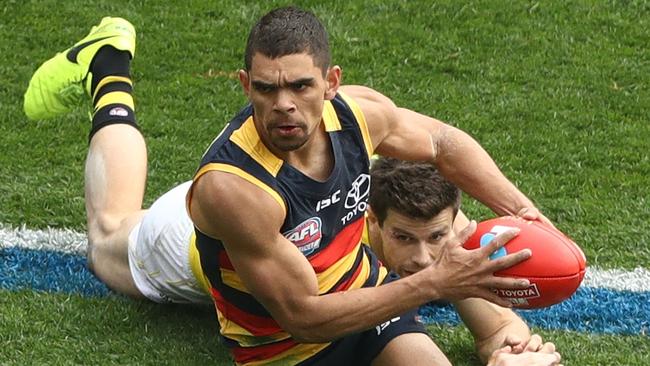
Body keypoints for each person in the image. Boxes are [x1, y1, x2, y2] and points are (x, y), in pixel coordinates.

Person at [23, 7, 561, 366]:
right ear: (244, 86)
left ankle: (499, 338)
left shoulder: (357, 115)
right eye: (266, 88)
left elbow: (443, 144)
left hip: (345, 282)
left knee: (437, 229)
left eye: (302, 86)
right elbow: (301, 316)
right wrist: (435, 284)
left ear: (330, 83)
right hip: (236, 283)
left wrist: (523, 210)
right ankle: (109, 69)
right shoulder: (231, 193)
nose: (284, 104)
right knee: (108, 232)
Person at [367, 157, 561, 365]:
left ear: (453, 219)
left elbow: (498, 327)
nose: (422, 259)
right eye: (403, 238)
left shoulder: (454, 230)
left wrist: (514, 353)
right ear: (373, 219)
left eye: (436, 237)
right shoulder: (344, 246)